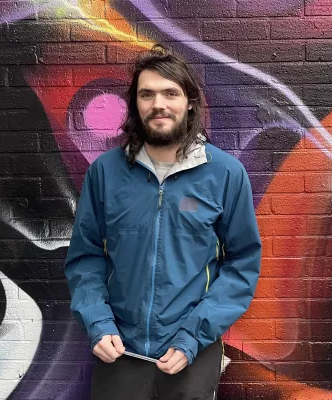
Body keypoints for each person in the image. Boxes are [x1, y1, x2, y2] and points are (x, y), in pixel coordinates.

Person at [64, 44, 261, 400]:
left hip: (190, 352)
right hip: (118, 350)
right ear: (135, 105)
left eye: (170, 93)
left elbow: (242, 264)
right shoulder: (105, 173)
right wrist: (98, 322)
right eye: (147, 94)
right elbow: (85, 257)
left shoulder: (226, 174)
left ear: (189, 102)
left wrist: (193, 335)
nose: (159, 104)